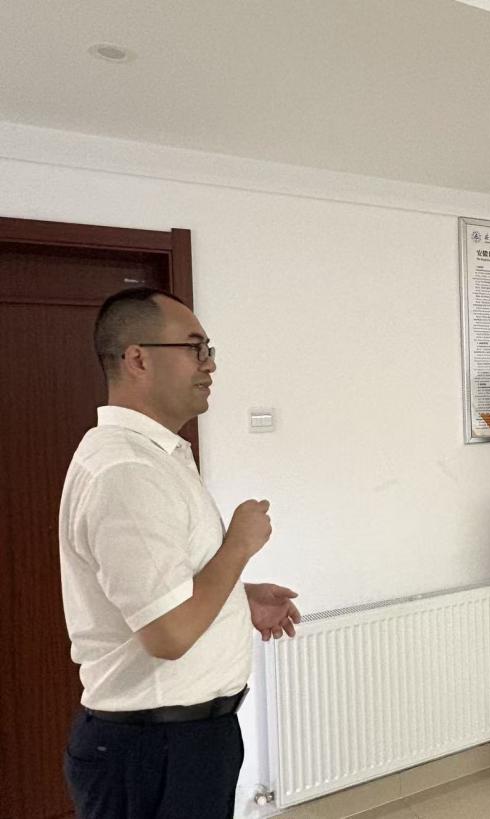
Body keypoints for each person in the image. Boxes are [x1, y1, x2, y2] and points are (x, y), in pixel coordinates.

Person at [59, 287, 300, 818]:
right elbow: (168, 635)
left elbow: (163, 588)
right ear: (138, 359)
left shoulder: (156, 456)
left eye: (208, 350)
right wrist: (239, 545)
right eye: (195, 348)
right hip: (154, 751)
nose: (209, 364)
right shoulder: (127, 471)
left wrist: (237, 597)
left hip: (185, 742)